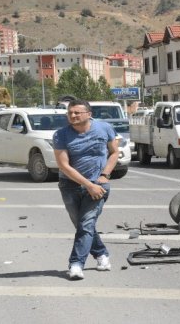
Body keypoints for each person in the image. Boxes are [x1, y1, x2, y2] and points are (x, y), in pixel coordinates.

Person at [53, 99, 119, 280]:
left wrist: (105, 175)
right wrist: (88, 185)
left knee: (86, 224)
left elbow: (114, 152)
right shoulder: (61, 135)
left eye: (76, 112)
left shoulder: (104, 128)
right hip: (70, 185)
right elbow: (63, 165)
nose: (72, 116)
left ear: (89, 114)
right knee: (82, 225)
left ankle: (76, 264)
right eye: (70, 113)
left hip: (99, 185)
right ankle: (102, 254)